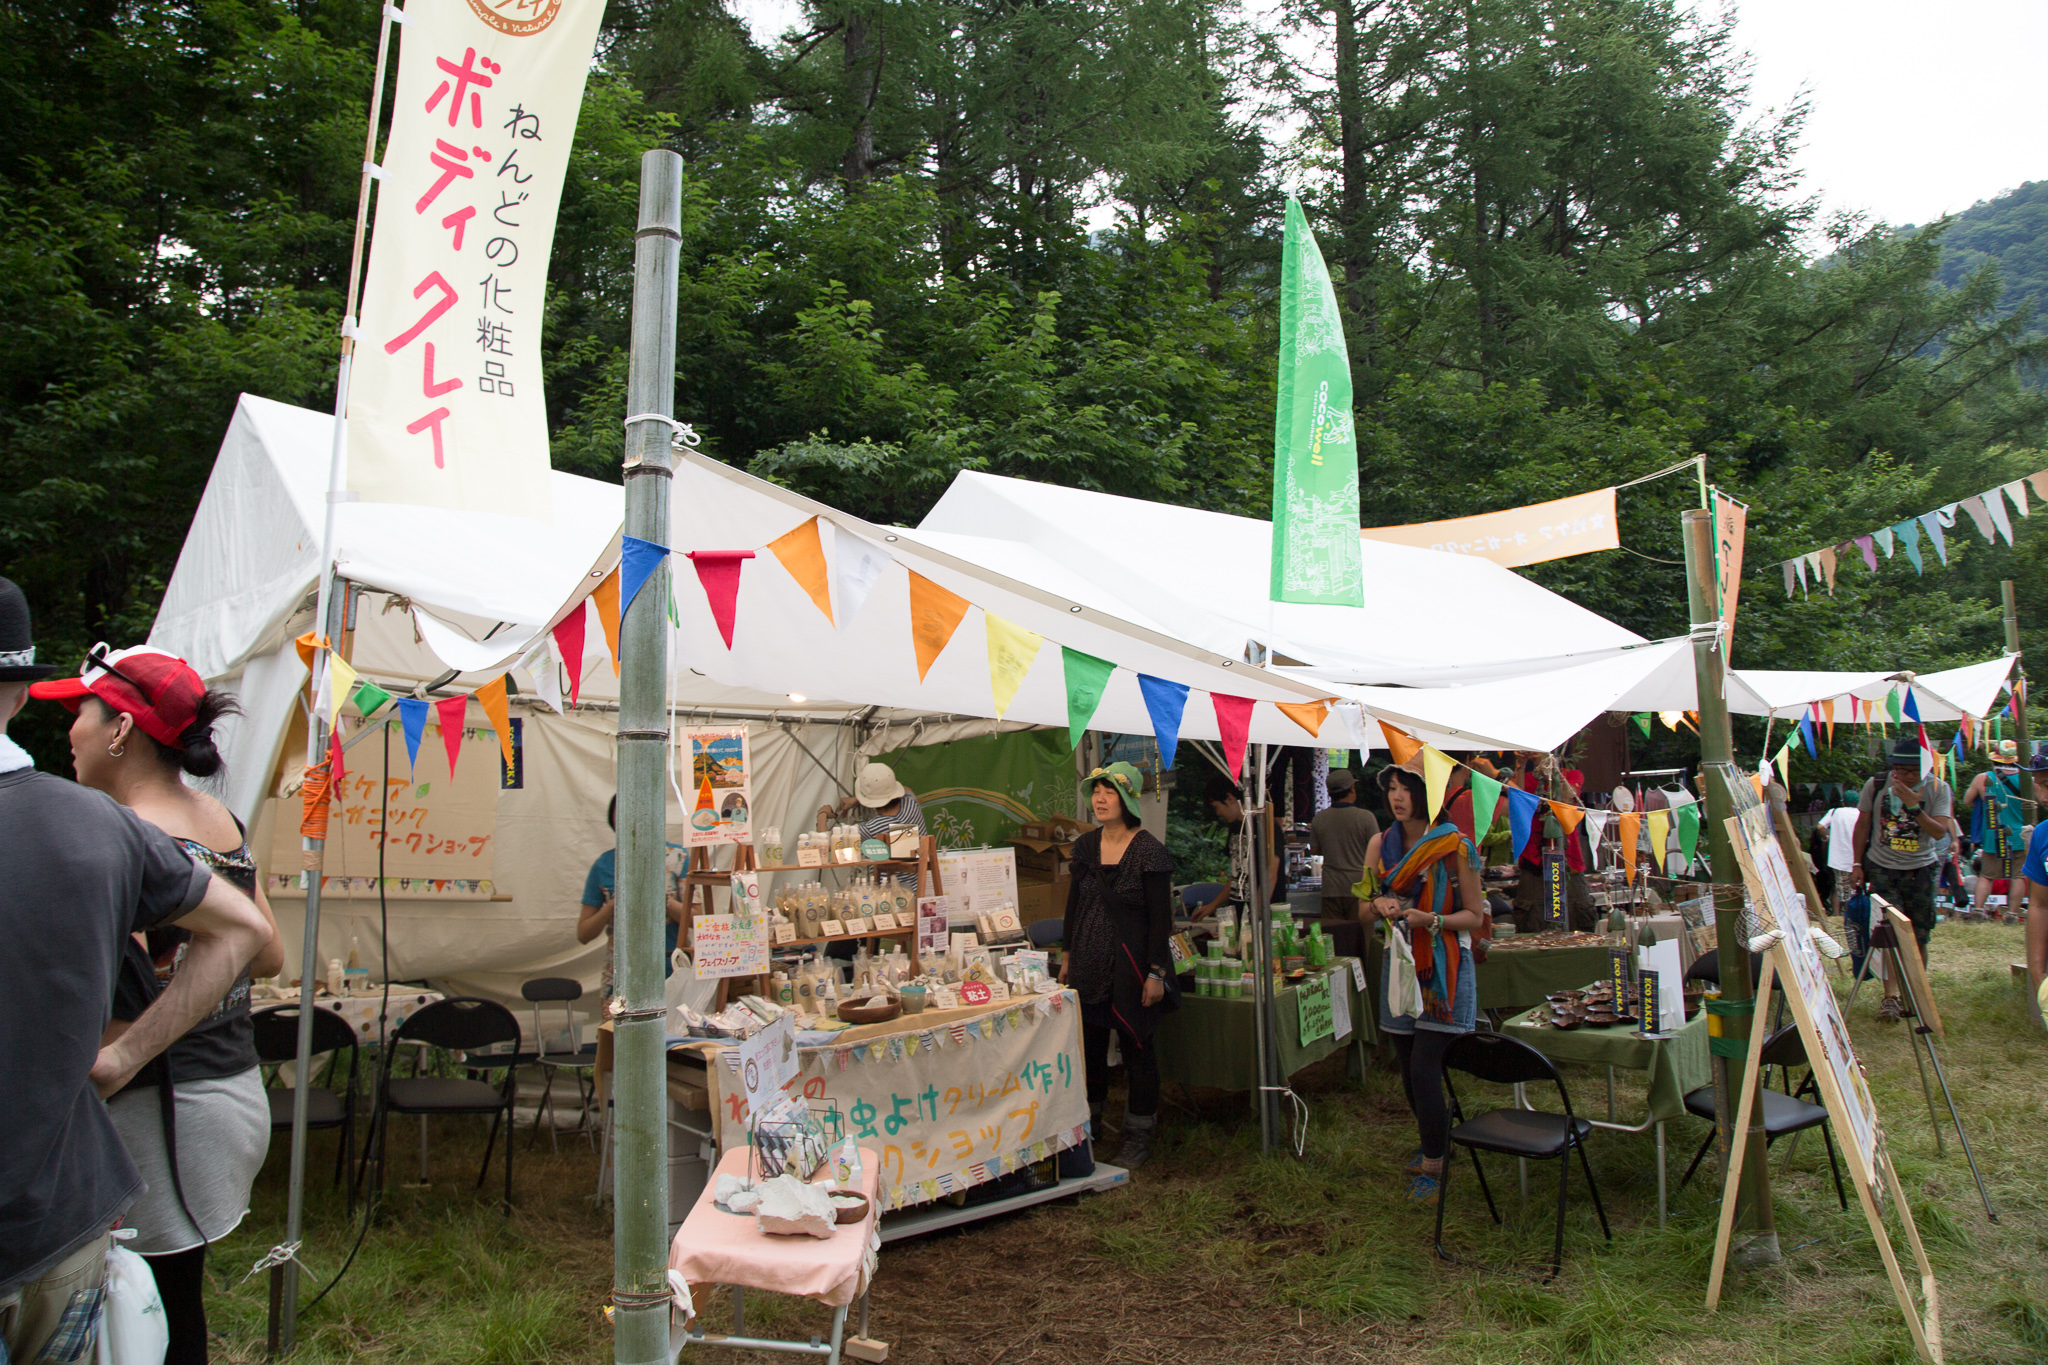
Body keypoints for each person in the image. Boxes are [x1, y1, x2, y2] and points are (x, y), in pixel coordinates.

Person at [0, 581, 271, 1364]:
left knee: (165, 1306)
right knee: (175, 1302)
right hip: (225, 1079)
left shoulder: (115, 831)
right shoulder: (215, 821)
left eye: (81, 712)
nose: (69, 728)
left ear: (121, 727)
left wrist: (123, 1047)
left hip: (158, 1100)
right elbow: (265, 948)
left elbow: (111, 995)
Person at [1361, 766, 1487, 1204]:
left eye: (1407, 789)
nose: (1397, 797)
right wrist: (1379, 904)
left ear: (1428, 794)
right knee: (1408, 1068)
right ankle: (1438, 1140)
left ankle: (1434, 1164)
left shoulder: (1457, 847)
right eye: (1392, 789)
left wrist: (1431, 920)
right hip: (1399, 964)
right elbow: (1361, 907)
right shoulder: (1380, 844)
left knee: (1424, 1068)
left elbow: (1474, 915)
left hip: (1443, 969)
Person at [1058, 763, 1174, 1170]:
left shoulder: (1148, 851)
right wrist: (1067, 957)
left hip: (1132, 967)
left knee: (1136, 1048)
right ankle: (1087, 1128)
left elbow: (1161, 920)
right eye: (1096, 792)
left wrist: (1156, 973)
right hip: (1087, 963)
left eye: (1109, 792)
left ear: (1127, 800)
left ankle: (1138, 1133)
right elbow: (1074, 906)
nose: (1100, 799)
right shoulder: (1086, 847)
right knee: (1089, 1048)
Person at [1849, 736, 1954, 1021]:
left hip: (1922, 869)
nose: (1905, 777)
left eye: (1912, 771)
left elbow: (1938, 832)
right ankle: (1890, 997)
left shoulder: (1938, 788)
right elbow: (1863, 825)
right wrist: (1857, 863)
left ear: (1925, 769)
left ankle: (1916, 996)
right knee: (1889, 934)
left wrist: (1914, 807)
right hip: (1883, 868)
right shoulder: (1876, 784)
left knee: (1919, 934)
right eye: (1900, 770)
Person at [576, 796, 691, 998]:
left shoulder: (677, 858)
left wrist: (663, 900)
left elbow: (696, 918)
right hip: (620, 975)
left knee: (674, 1020)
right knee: (615, 1020)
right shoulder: (604, 864)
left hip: (670, 971)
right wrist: (612, 905)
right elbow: (583, 934)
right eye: (621, 814)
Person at [1190, 777, 1279, 919]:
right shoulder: (1235, 827)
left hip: (1261, 915)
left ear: (1230, 798)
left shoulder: (1265, 825)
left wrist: (1257, 913)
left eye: (1216, 807)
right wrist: (1213, 906)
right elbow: (1236, 875)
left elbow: (1271, 873)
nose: (1218, 813)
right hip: (1239, 911)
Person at [1963, 741, 2028, 916]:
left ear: (1995, 759)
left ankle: (1978, 910)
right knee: (2018, 876)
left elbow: (1967, 801)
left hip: (1994, 834)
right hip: (2019, 834)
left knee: (1987, 875)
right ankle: (2012, 914)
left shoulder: (1983, 778)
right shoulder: (2026, 779)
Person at [1309, 769, 1379, 920]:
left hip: (1331, 887)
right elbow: (1378, 850)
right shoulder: (1366, 817)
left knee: (1333, 932)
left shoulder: (1319, 818)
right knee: (1360, 932)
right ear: (1352, 789)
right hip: (1360, 886)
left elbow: (1314, 850)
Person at [855, 761, 925, 888]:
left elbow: (827, 846)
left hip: (887, 896)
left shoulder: (871, 829)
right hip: (919, 890)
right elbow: (906, 789)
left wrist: (822, 815)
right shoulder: (911, 805)